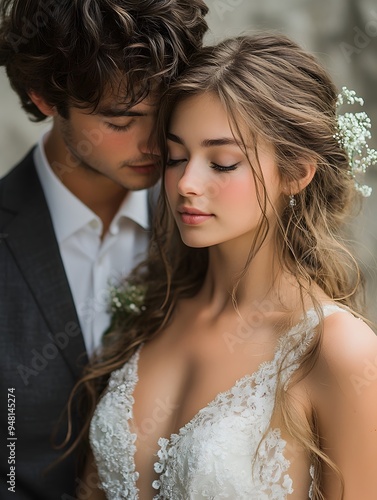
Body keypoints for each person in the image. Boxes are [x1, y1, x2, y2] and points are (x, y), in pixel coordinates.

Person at [78, 34, 377, 499]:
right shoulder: (152, 312)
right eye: (177, 157)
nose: (186, 183)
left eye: (222, 162)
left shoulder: (338, 352)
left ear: (297, 172)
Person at [0, 1, 209, 498]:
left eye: (164, 114)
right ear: (46, 99)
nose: (153, 144)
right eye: (121, 121)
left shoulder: (209, 227)